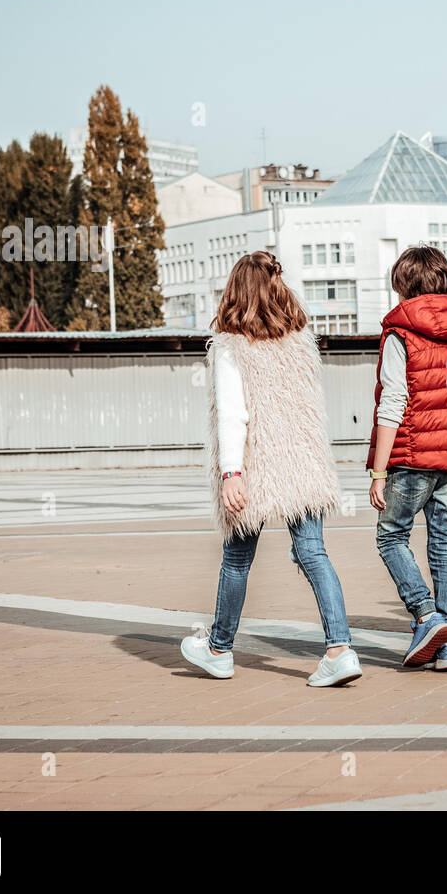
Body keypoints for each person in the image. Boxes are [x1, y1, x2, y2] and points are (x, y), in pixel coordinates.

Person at [180, 250, 362, 687]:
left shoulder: (230, 347)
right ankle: (340, 649)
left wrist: (230, 472)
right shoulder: (301, 342)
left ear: (236, 292)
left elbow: (233, 413)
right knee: (314, 552)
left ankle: (220, 649)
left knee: (237, 561)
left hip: (257, 462)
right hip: (303, 461)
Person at [367, 246, 447, 671]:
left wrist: (379, 470)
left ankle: (425, 614)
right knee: (446, 541)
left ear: (403, 284)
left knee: (390, 537)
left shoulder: (401, 332)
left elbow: (393, 402)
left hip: (414, 455)